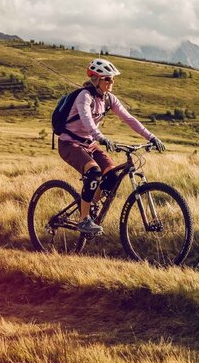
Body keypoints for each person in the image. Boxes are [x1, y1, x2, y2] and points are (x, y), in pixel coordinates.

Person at [57, 58, 166, 235]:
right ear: (96, 80)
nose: (112, 82)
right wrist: (100, 137)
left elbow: (129, 119)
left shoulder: (109, 99)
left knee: (112, 176)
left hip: (90, 144)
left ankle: (90, 205)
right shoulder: (84, 96)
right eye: (107, 78)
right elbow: (87, 119)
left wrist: (151, 137)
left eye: (112, 78)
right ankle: (84, 219)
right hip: (69, 143)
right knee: (94, 173)